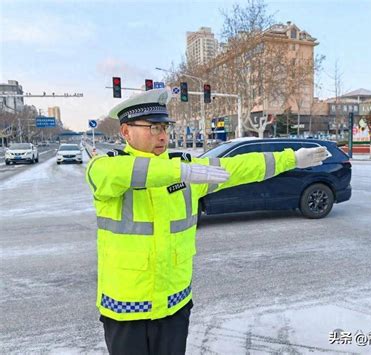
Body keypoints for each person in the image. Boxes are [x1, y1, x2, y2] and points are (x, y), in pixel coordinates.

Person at [85, 89, 329, 355]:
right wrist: (182, 170)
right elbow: (126, 173)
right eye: (153, 128)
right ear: (125, 132)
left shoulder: (188, 170)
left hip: (173, 306)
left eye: (165, 127)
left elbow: (238, 167)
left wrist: (291, 159)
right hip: (126, 310)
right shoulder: (107, 168)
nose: (163, 135)